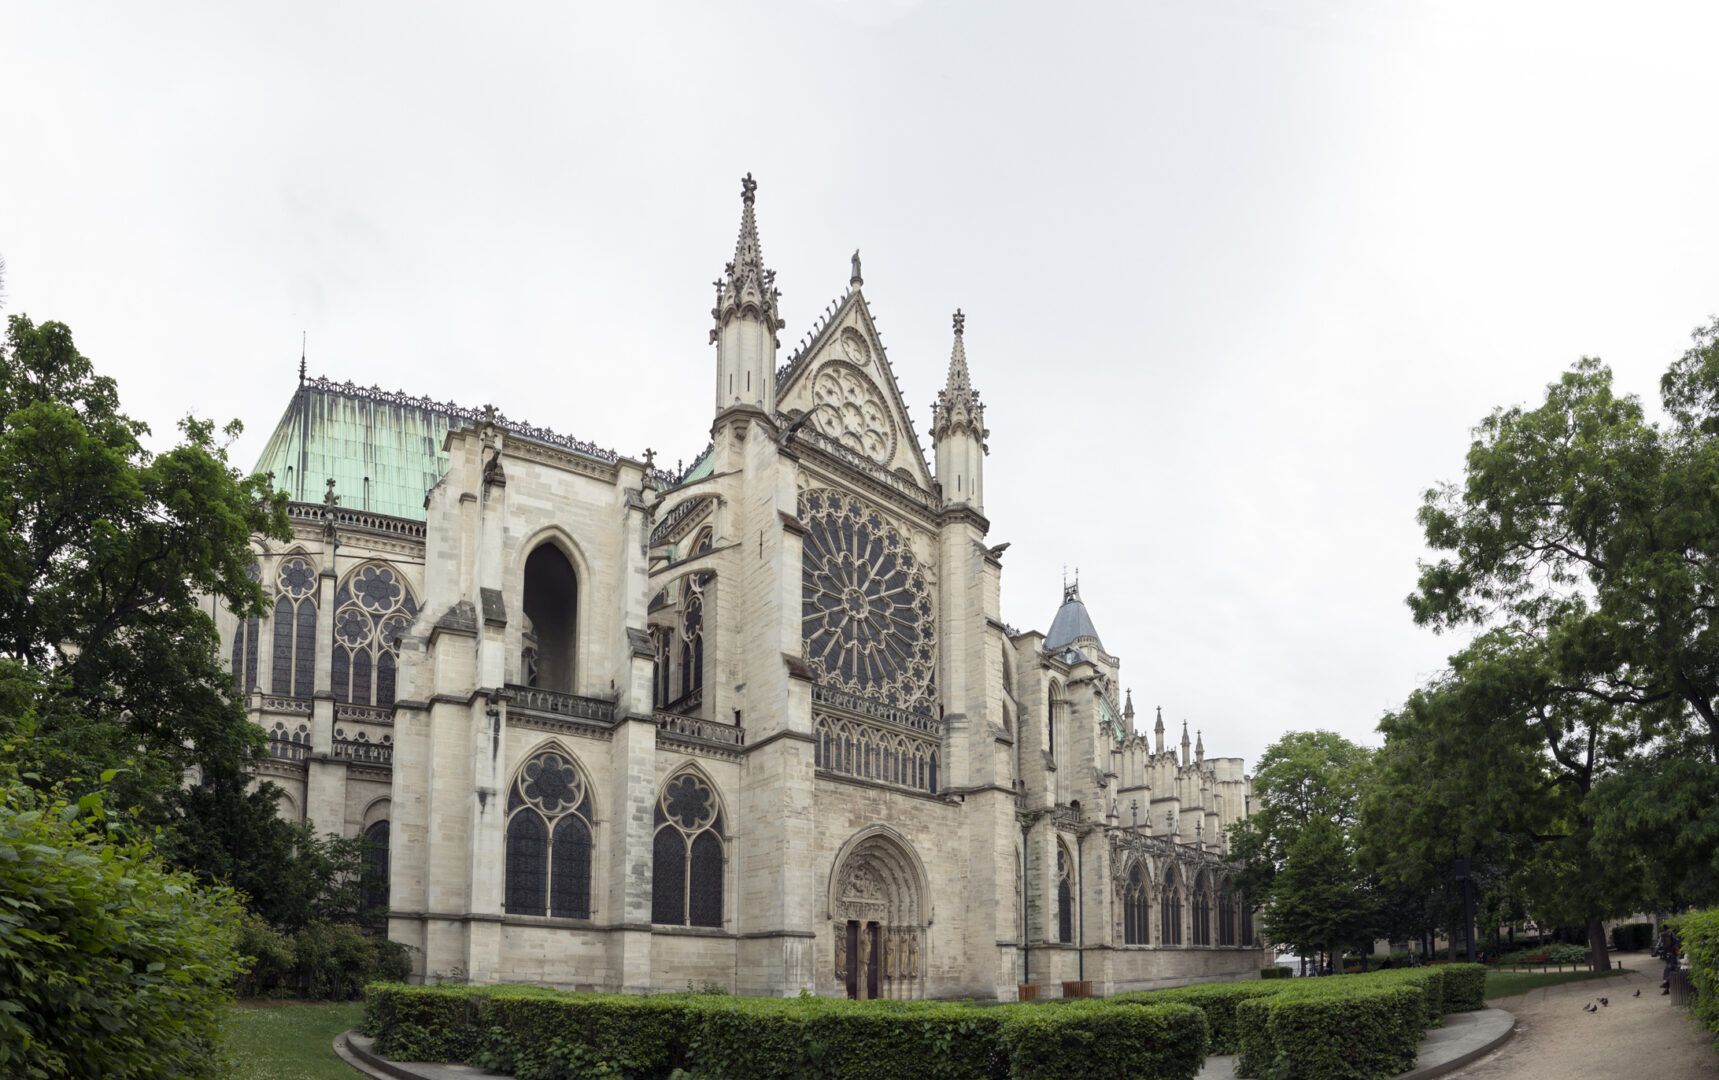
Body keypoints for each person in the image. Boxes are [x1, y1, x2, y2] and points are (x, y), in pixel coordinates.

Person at [1658, 926, 1680, 995]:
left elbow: (1661, 945)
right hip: (1670, 955)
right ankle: (1666, 986)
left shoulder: (1669, 936)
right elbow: (1662, 944)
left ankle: (1666, 984)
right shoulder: (1667, 935)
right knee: (1669, 970)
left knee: (1669, 970)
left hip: (1671, 955)